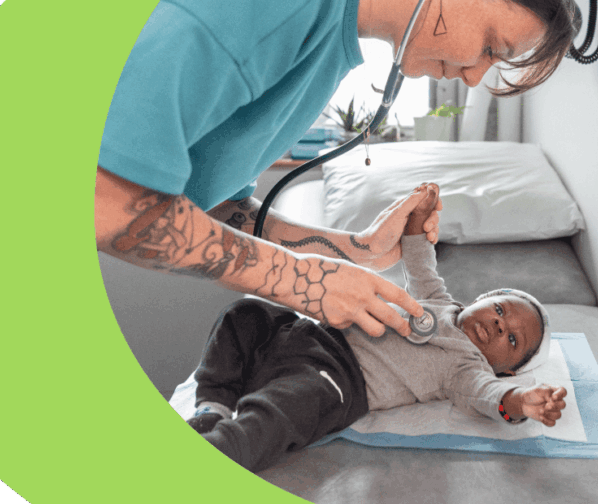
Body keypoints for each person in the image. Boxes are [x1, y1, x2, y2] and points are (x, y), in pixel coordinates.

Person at [95, 0, 574, 339]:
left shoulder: (328, 44)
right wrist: (300, 283)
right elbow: (105, 197)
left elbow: (216, 206)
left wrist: (358, 251)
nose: (474, 77)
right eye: (491, 46)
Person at [186, 184, 569, 473]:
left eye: (512, 339)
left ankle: (220, 450)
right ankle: (212, 406)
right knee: (245, 315)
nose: (500, 325)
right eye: (500, 309)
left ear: (506, 369)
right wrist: (418, 218)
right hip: (309, 334)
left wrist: (520, 401)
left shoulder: (467, 370)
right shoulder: (438, 300)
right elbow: (421, 264)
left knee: (288, 408)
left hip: (336, 378)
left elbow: (490, 396)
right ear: (482, 298)